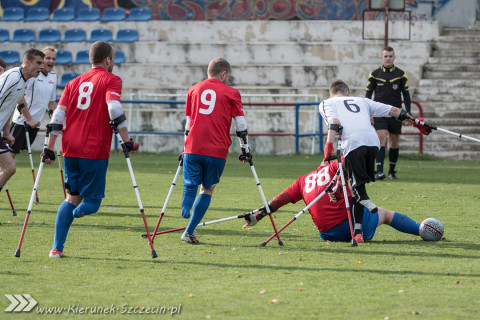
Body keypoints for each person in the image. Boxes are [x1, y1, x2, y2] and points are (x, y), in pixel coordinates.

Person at [42, 41, 138, 258]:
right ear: (108, 60)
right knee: (92, 202)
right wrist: (127, 140)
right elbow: (114, 107)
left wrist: (49, 147)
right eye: (113, 58)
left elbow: (57, 116)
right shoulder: (111, 79)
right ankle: (74, 216)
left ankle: (56, 248)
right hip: (93, 149)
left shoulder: (73, 82)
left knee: (72, 196)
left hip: (70, 148)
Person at [319, 80, 425, 241]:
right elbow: (395, 111)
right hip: (373, 143)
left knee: (358, 190)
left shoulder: (327, 103)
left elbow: (334, 123)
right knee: (355, 186)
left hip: (353, 144)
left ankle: (366, 200)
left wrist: (328, 147)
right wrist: (414, 121)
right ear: (347, 92)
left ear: (331, 94)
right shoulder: (363, 101)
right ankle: (358, 232)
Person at [244, 159, 422, 243]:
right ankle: (421, 230)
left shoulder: (302, 180)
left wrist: (258, 215)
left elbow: (278, 201)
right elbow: (350, 160)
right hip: (350, 226)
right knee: (383, 214)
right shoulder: (335, 166)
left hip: (328, 235)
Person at [180, 57, 250, 244]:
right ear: (224, 74)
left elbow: (188, 123)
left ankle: (185, 206)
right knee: (207, 188)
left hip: (193, 146)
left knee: (190, 183)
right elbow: (240, 124)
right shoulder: (232, 92)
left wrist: (184, 147)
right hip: (216, 150)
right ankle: (189, 230)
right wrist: (245, 149)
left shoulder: (193, 90)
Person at [0, 48, 45, 195]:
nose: (42, 66)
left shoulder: (24, 80)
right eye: (38, 63)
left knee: (9, 168)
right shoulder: (12, 77)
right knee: (9, 168)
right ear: (27, 62)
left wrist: (6, 132)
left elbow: (9, 107)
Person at [366, 46, 411, 180]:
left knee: (394, 142)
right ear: (382, 57)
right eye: (385, 56)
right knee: (381, 138)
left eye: (390, 56)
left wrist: (408, 114)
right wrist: (368, 113)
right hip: (379, 112)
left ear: (394, 57)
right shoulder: (374, 74)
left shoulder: (401, 74)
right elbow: (368, 95)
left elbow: (407, 95)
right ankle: (379, 171)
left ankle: (392, 171)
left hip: (396, 113)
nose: (388, 58)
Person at [10, 46, 58, 157]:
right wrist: (29, 119)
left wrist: (55, 120)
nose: (51, 61)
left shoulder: (53, 77)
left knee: (12, 157)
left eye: (53, 59)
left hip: (35, 123)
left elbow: (51, 103)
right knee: (9, 157)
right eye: (48, 58)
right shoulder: (33, 75)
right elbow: (19, 96)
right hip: (22, 122)